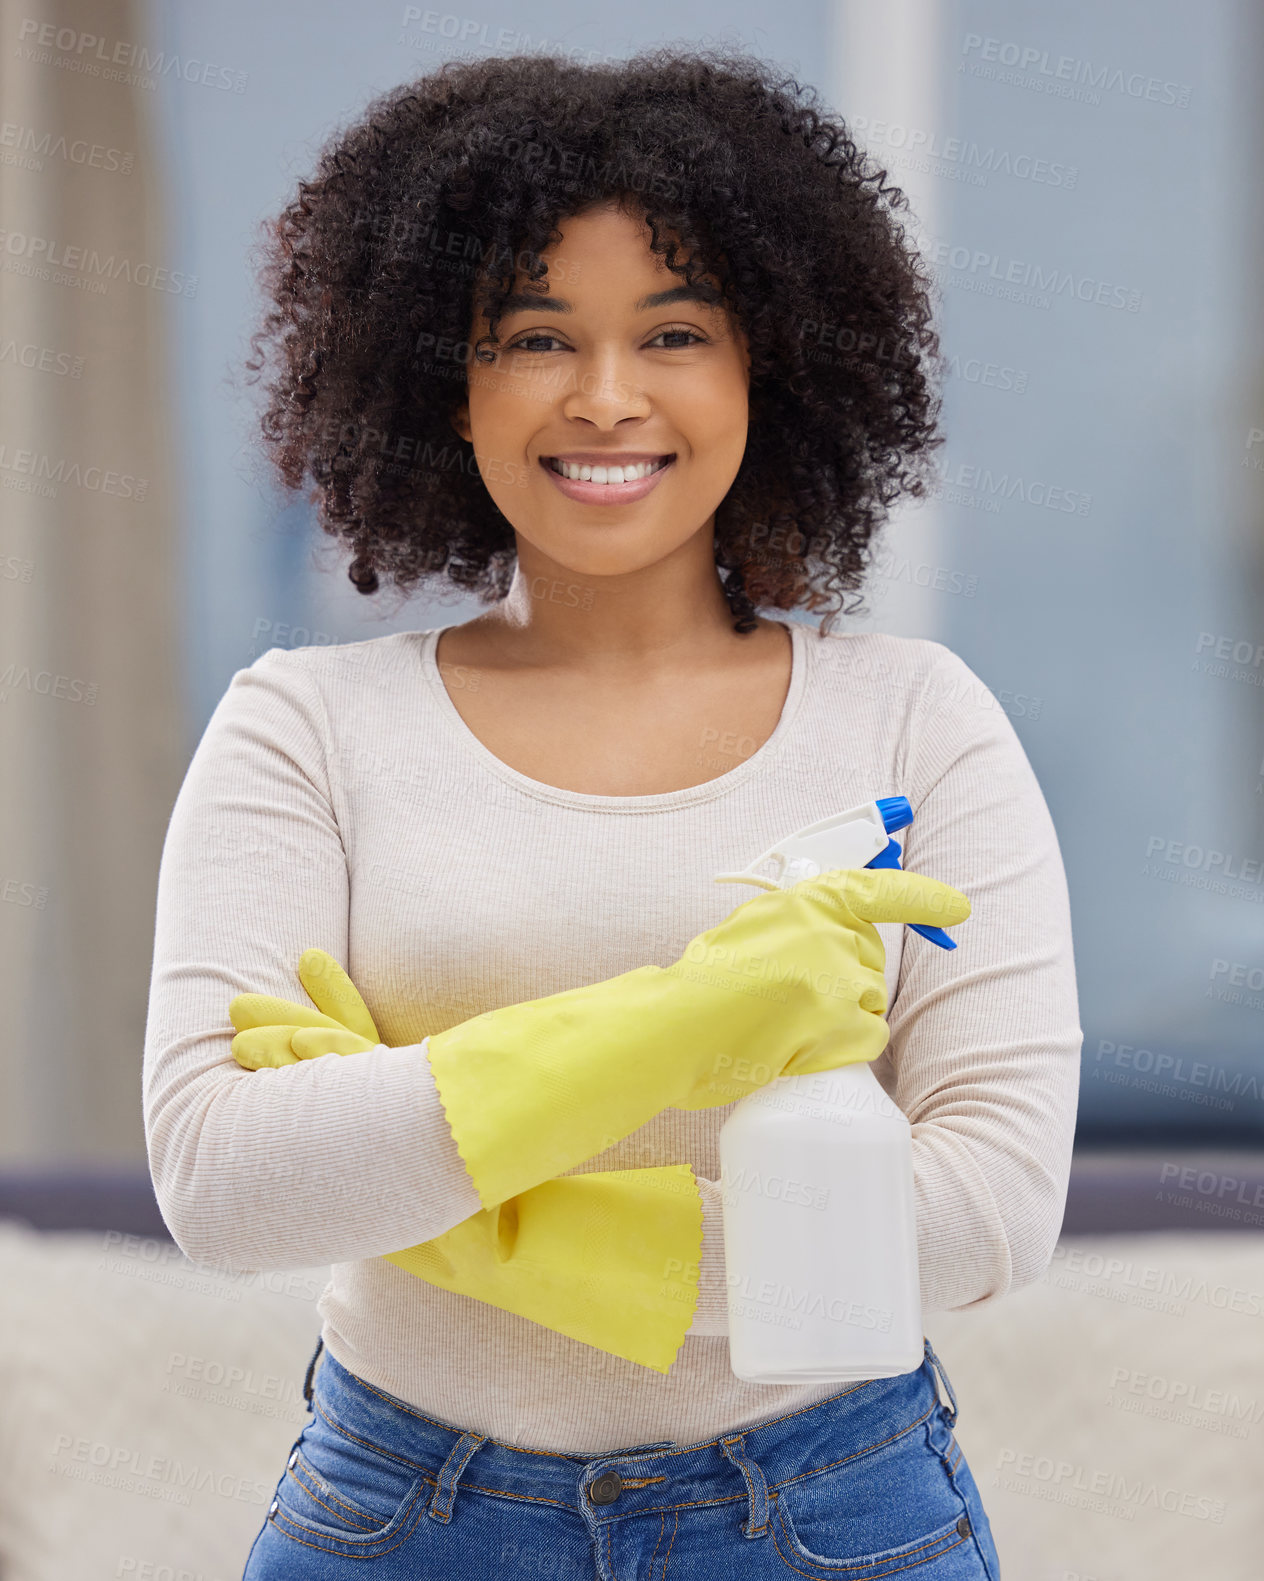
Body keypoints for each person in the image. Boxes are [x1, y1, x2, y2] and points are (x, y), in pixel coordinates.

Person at [143, 46, 1081, 1579]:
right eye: (532, 335)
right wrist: (679, 1026)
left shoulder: (916, 716)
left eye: (675, 330)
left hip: (830, 1513)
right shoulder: (303, 730)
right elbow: (225, 1178)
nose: (605, 396)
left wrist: (474, 1213)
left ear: (763, 365)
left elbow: (985, 1207)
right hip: (402, 1514)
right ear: (442, 380)